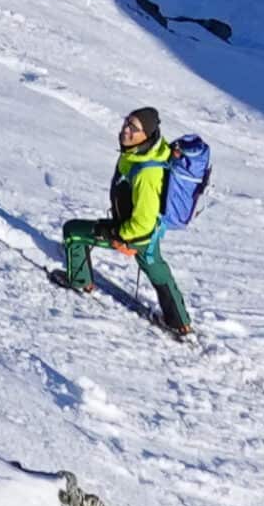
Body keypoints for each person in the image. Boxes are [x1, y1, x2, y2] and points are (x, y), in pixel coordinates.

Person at [54, 106, 196, 337]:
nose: (125, 131)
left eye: (133, 128)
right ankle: (179, 321)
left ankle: (79, 280)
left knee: (73, 231)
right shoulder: (151, 150)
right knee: (157, 270)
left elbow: (142, 223)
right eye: (126, 123)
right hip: (149, 235)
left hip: (135, 233)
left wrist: (121, 237)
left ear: (147, 135)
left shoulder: (145, 174)